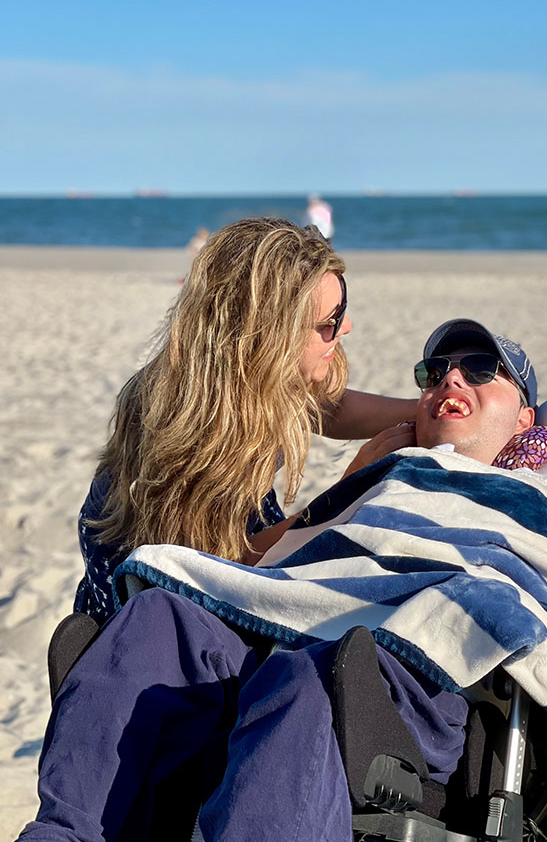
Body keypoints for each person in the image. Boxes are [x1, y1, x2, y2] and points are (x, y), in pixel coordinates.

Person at [11, 321, 547, 842]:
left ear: (528, 421)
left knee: (310, 680)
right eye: (434, 370)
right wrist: (360, 477)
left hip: (420, 671)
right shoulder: (386, 474)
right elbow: (293, 569)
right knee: (158, 619)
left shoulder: (539, 504)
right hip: (301, 636)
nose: (451, 374)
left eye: (481, 368)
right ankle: (68, 838)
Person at [75, 216, 417, 624]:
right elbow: (213, 571)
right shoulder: (196, 434)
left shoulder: (250, 375)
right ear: (267, 336)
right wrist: (345, 494)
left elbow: (326, 407)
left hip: (225, 542)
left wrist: (422, 413)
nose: (346, 327)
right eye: (329, 322)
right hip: (153, 601)